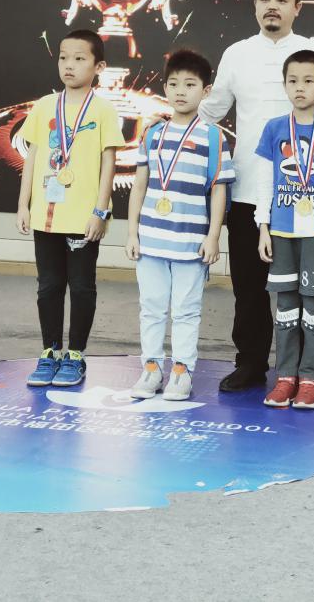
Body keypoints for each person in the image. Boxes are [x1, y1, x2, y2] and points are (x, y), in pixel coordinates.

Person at [197, 0, 314, 392]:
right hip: (249, 190)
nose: (272, 6)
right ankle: (250, 363)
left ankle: (299, 370)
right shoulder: (236, 53)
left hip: (302, 196)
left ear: (296, 8)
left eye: (282, 0)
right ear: (255, 7)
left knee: (299, 291)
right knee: (248, 287)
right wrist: (178, 128)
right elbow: (211, 110)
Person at [124, 49, 234, 401]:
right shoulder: (152, 133)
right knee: (152, 307)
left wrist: (213, 237)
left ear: (206, 91)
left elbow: (219, 190)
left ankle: (182, 371)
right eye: (173, 84)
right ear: (165, 87)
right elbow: (139, 186)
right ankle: (151, 368)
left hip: (191, 242)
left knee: (187, 310)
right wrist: (132, 233)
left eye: (190, 84)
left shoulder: (214, 137)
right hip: (151, 240)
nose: (180, 91)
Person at [16, 29, 123, 388]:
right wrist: (23, 204)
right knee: (48, 286)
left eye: (79, 59)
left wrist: (100, 211)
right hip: (46, 215)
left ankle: (75, 354)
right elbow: (32, 156)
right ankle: (50, 351)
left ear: (99, 67)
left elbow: (109, 162)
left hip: (83, 217)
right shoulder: (45, 106)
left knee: (81, 287)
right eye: (64, 57)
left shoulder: (103, 109)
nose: (69, 65)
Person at [254, 49, 314, 409]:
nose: (299, 87)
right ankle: (285, 378)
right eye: (292, 80)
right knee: (285, 308)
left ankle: (310, 380)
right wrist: (263, 227)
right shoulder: (274, 128)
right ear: (284, 85)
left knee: (313, 308)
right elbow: (265, 181)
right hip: (282, 231)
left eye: (308, 81)